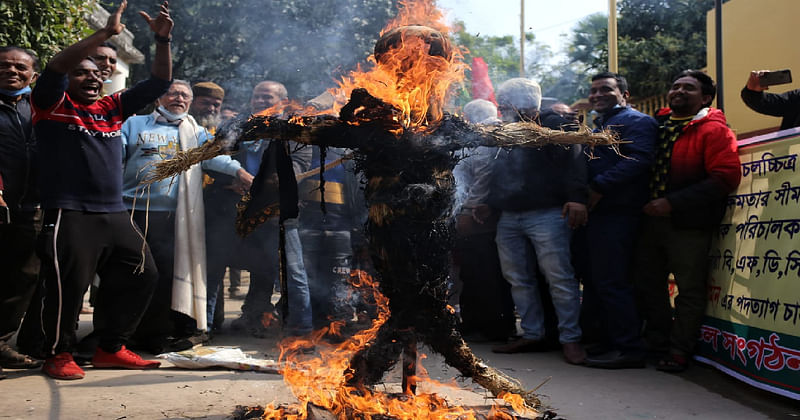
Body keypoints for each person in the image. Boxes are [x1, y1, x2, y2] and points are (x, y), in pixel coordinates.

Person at [31, 0, 174, 380]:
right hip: (69, 211)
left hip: (114, 212)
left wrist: (163, 41)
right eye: (82, 73)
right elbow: (56, 66)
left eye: (96, 74)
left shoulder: (112, 107)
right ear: (67, 80)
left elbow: (159, 83)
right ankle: (58, 353)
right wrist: (105, 34)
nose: (92, 78)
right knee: (69, 287)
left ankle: (110, 347)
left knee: (142, 274)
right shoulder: (50, 103)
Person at [121, 80, 252, 353]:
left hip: (174, 218)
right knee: (131, 276)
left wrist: (239, 172)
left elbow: (215, 157)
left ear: (190, 102)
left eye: (185, 95)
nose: (179, 98)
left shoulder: (196, 131)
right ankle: (118, 336)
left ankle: (153, 336)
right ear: (159, 97)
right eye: (173, 93)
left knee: (166, 278)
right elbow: (115, 161)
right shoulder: (134, 125)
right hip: (133, 212)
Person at [633, 70, 741, 372]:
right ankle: (656, 343)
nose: (679, 91)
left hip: (689, 225)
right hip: (648, 223)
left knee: (689, 290)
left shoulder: (714, 130)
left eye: (689, 88)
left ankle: (679, 350)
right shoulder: (655, 125)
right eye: (676, 86)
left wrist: (672, 203)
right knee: (647, 286)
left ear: (705, 98)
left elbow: (726, 176)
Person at [487, 78, 588, 365]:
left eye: (507, 99)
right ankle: (532, 334)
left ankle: (571, 339)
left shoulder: (557, 125)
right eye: (501, 99)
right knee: (517, 277)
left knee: (559, 278)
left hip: (547, 214)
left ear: (527, 102)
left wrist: (578, 197)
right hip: (509, 216)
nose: (501, 104)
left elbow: (576, 163)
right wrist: (489, 202)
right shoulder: (505, 128)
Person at [206, 81, 312, 338]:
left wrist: (267, 185)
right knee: (214, 266)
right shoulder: (236, 127)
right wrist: (231, 180)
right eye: (257, 96)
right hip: (231, 212)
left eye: (267, 97)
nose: (261, 101)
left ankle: (300, 330)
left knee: (290, 270)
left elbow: (300, 163)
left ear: (283, 101)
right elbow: (211, 159)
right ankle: (205, 326)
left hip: (275, 213)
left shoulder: (293, 130)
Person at [576, 72, 657, 369]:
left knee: (613, 281)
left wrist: (600, 186)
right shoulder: (600, 125)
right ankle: (609, 340)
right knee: (598, 281)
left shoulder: (638, 122)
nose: (596, 95)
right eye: (593, 90)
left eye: (605, 89)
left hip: (619, 212)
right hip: (599, 215)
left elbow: (639, 159)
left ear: (625, 94)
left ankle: (630, 348)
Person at [452, 99, 516, 343]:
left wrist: (467, 211)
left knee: (483, 271)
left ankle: (492, 327)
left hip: (481, 216)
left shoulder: (485, 137)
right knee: (478, 271)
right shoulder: (484, 135)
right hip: (484, 213)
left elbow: (482, 177)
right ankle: (482, 324)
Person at [0, 46, 43, 378]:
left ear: (34, 75)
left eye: (20, 67)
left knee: (23, 276)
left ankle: (1, 342)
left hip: (30, 209)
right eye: (4, 66)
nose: (12, 71)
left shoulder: (42, 109)